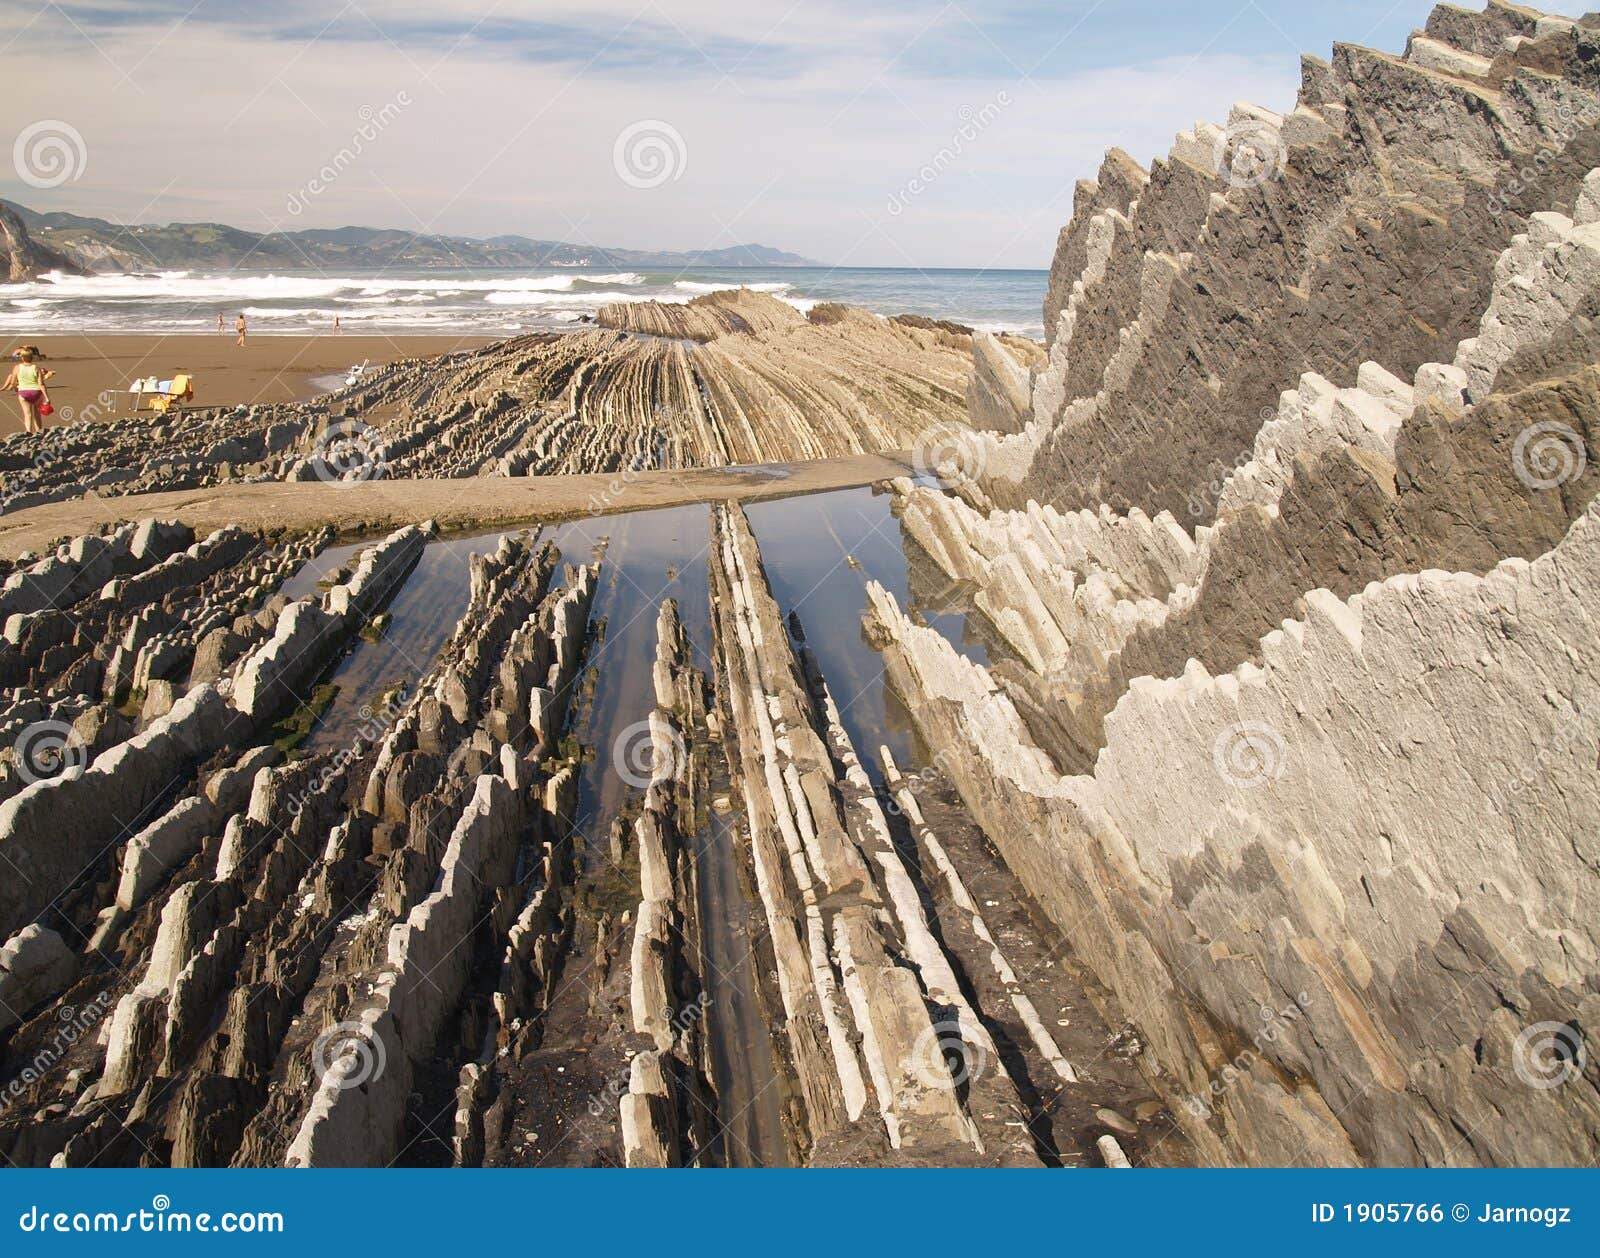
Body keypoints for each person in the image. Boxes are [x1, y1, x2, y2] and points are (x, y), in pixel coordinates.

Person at [5, 347, 54, 434]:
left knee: (27, 414)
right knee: (37, 414)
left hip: (23, 392)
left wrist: (16, 389)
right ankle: (39, 432)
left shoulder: (17, 367)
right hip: (36, 392)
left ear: (22, 357)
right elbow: (41, 384)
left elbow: (13, 383)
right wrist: (47, 398)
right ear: (32, 357)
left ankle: (28, 432)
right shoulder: (36, 368)